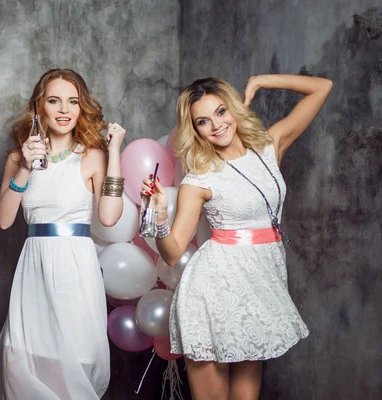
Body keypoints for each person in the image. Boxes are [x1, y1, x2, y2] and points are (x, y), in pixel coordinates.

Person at [141, 74, 333, 400]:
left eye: (220, 111)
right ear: (195, 130)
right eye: (203, 121)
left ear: (233, 108)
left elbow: (322, 88)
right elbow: (172, 253)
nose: (215, 125)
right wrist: (160, 215)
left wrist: (261, 81)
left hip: (260, 285)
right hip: (214, 291)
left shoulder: (269, 148)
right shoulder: (198, 179)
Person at [0, 68, 126, 400]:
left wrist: (114, 151)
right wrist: (24, 168)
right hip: (34, 271)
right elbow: (4, 221)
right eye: (54, 101)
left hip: (76, 270)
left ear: (81, 107)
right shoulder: (19, 157)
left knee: (74, 362)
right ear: (39, 106)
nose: (64, 110)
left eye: (73, 101)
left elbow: (109, 216)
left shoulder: (92, 156)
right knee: (25, 362)